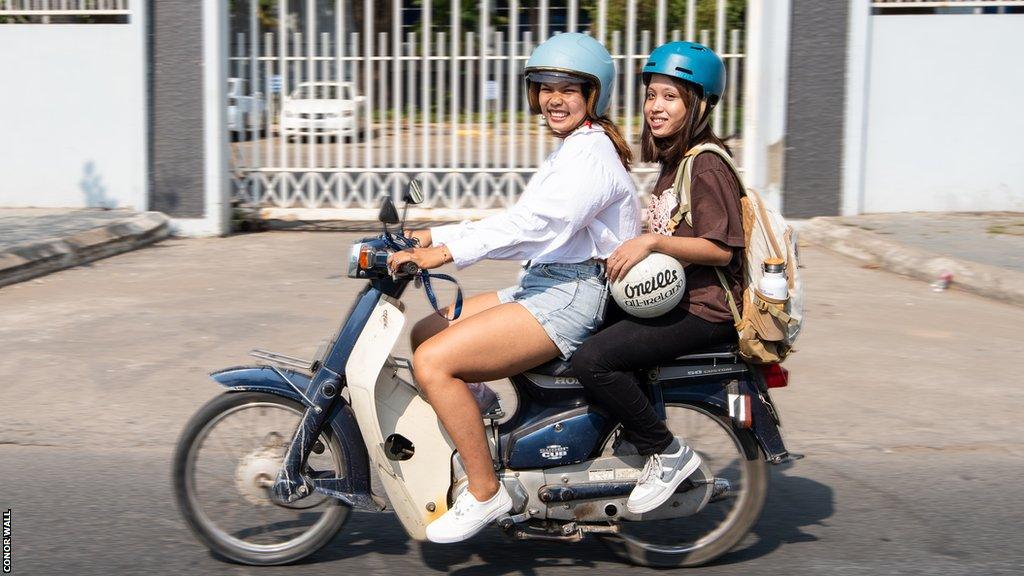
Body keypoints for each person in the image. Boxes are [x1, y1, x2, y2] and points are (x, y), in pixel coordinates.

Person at [386, 32, 640, 543]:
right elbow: (520, 218)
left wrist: (445, 252)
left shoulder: (590, 156)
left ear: (593, 95)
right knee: (427, 331)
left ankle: (485, 491)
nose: (554, 97)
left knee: (434, 364)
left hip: (569, 297)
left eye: (569, 87)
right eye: (544, 86)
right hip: (543, 284)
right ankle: (477, 424)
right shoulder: (573, 150)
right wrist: (432, 233)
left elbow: (537, 229)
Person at [569, 41, 745, 515]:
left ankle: (667, 454)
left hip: (705, 310)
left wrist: (653, 243)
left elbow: (721, 247)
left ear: (698, 104)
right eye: (651, 96)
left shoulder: (705, 163)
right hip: (676, 299)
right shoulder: (676, 162)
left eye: (670, 97)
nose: (655, 107)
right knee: (579, 324)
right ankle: (628, 441)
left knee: (593, 360)